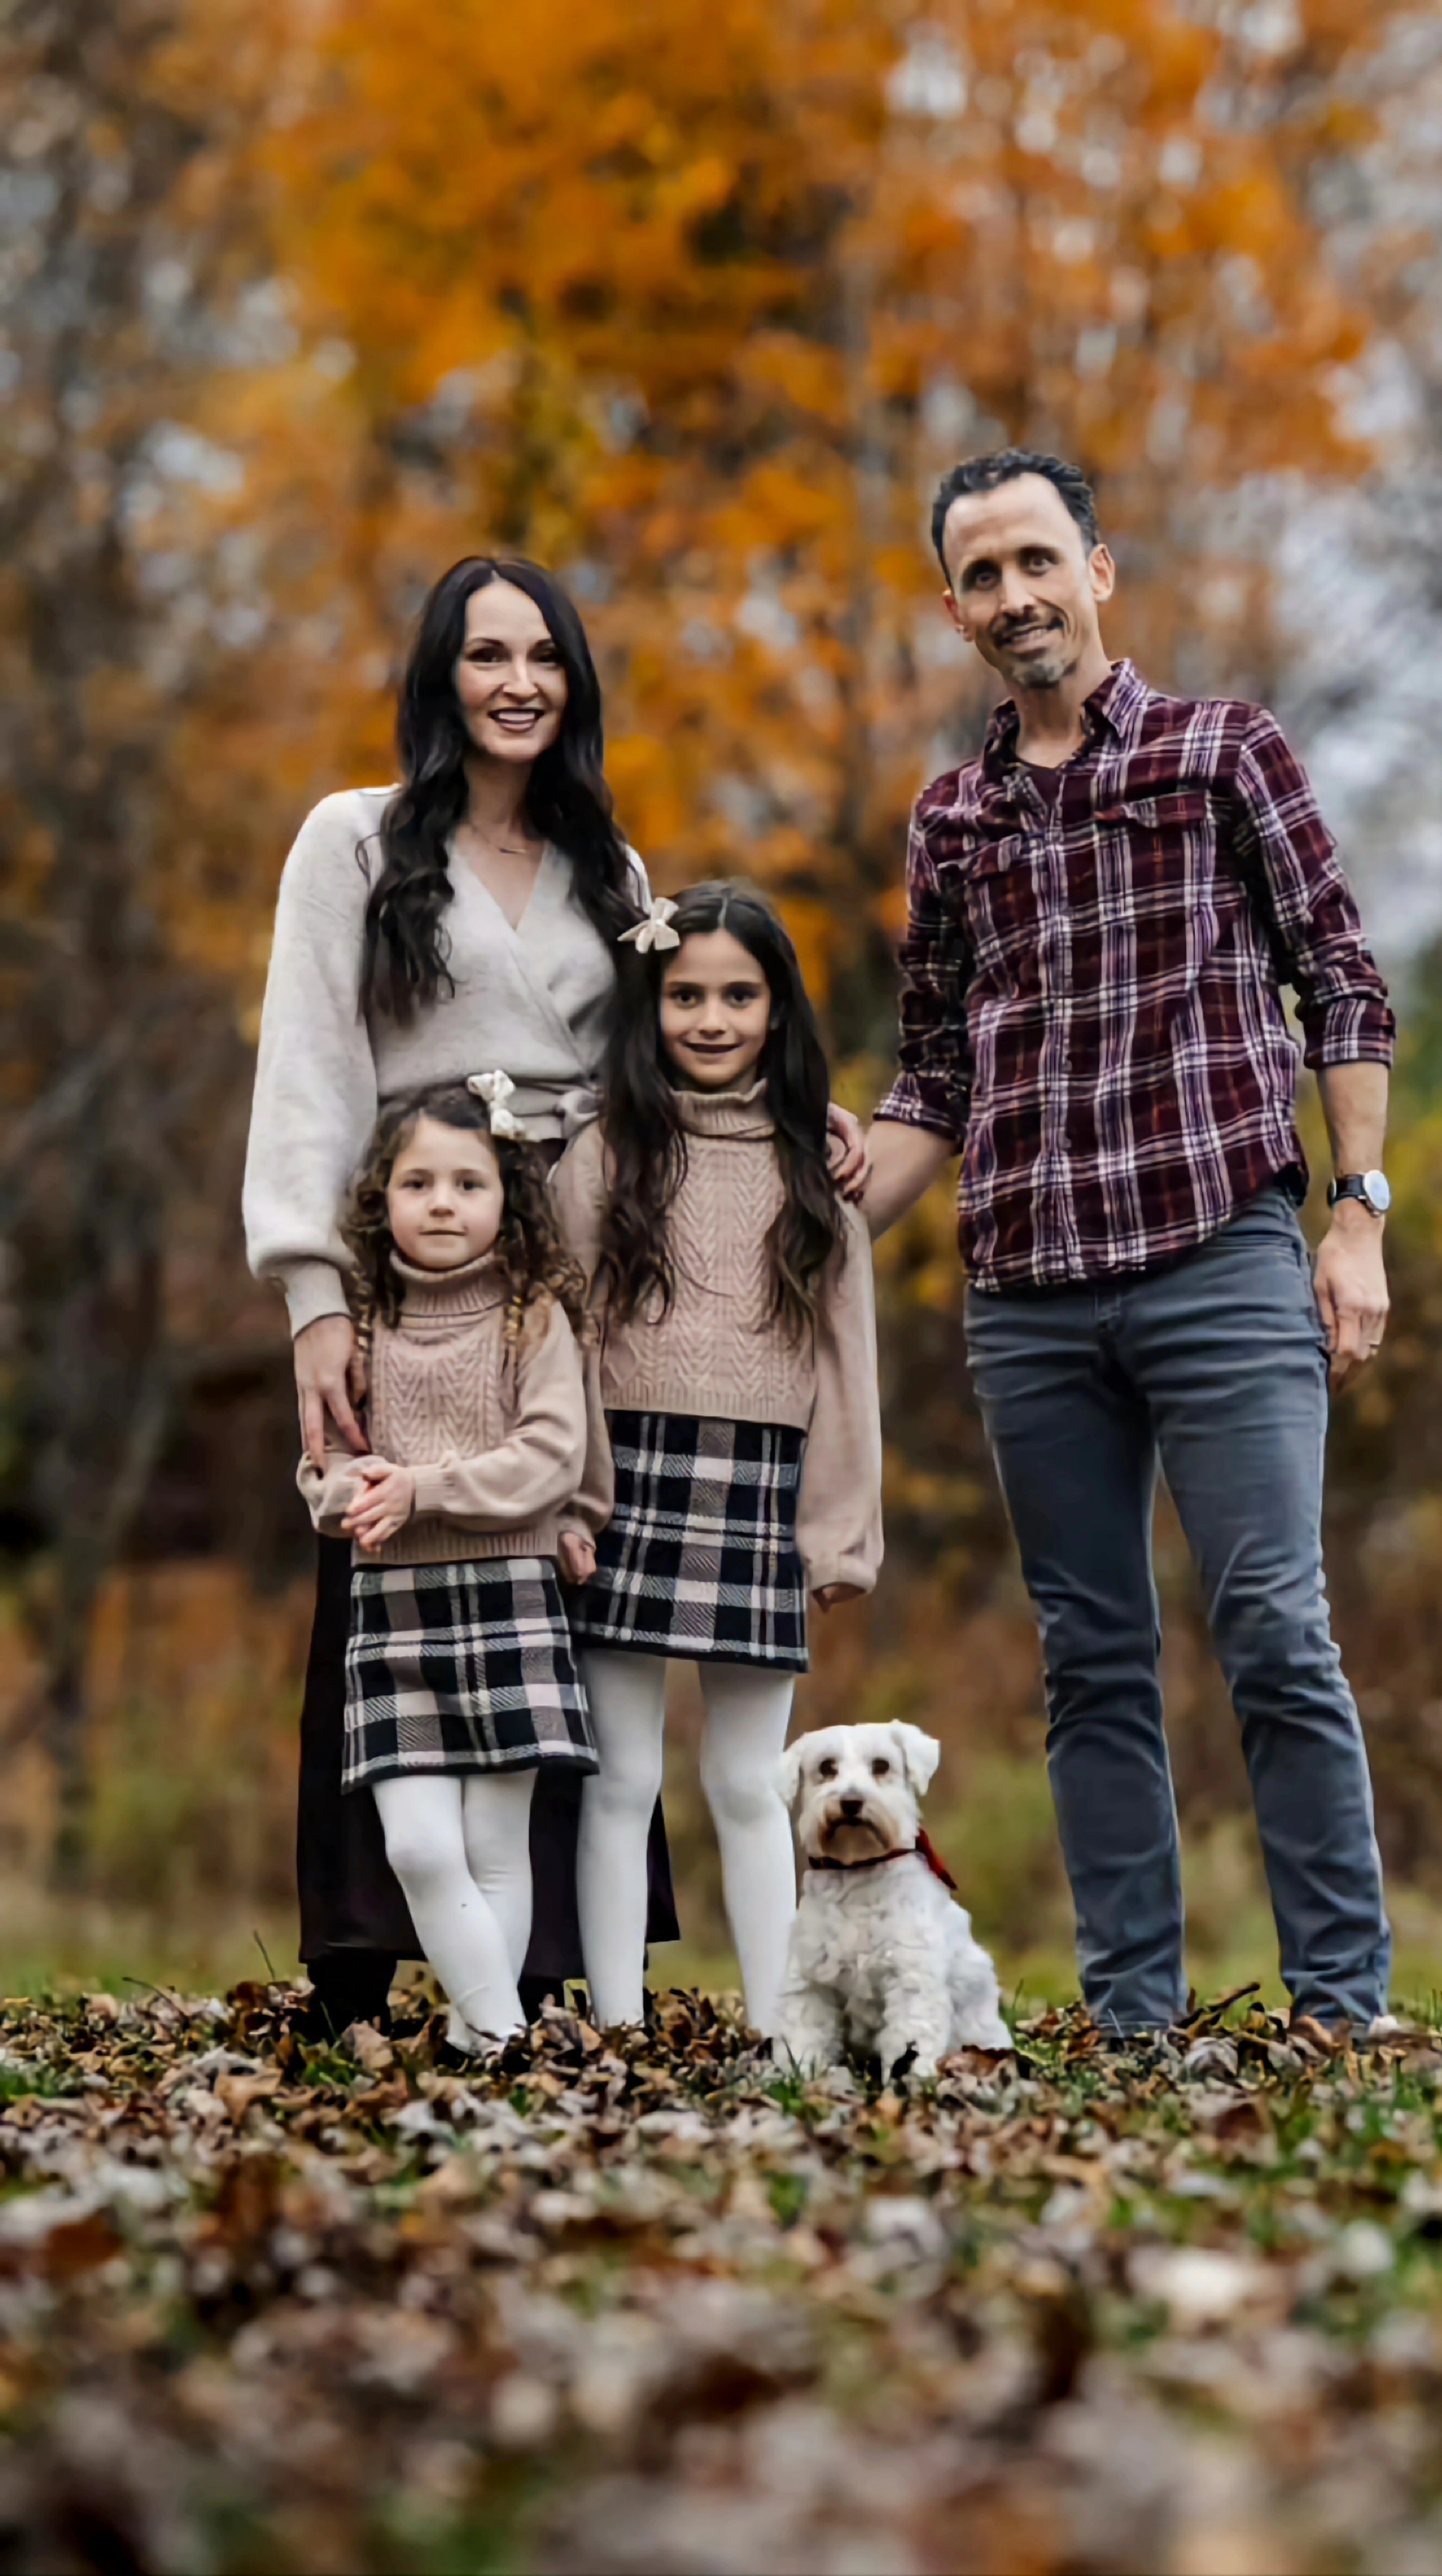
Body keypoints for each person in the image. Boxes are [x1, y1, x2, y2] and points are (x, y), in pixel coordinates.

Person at [863, 448, 1397, 2050]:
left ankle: (1342, 2012)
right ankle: (1135, 2018)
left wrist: (1358, 1213)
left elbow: (1344, 985)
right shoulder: (950, 822)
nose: (1015, 596)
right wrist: (795, 1208)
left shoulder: (1225, 754)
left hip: (1221, 1254)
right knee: (1092, 1662)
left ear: (1098, 568)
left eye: (1039, 559)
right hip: (1029, 1296)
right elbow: (935, 1073)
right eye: (981, 575)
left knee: (1274, 1627)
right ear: (953, 612)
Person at [243, 554, 683, 2036]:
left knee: (551, 1558)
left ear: (575, 681)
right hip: (405, 1233)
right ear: (440, 679)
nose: (519, 682)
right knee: (388, 1538)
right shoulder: (354, 842)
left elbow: (686, 1041)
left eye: (546, 656)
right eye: (487, 655)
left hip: (572, 1242)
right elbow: (309, 1060)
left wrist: (795, 1115)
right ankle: (362, 1950)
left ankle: (546, 1956)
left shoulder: (608, 868)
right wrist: (314, 1292)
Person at [554, 884, 883, 2038]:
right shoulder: (602, 1155)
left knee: (752, 1781)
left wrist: (839, 1531)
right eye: (685, 994)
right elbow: (566, 1336)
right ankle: (614, 2020)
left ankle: (783, 2025)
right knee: (619, 1777)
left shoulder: (820, 1176)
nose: (709, 1017)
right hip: (625, 1477)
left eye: (738, 994)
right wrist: (572, 1494)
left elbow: (849, 1367)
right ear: (650, 1009)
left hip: (763, 1486)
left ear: (777, 1011)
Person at [297, 1081, 606, 2054]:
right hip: (394, 1610)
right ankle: (510, 2040)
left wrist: (423, 1489)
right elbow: (324, 1463)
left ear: (507, 1196)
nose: (442, 1202)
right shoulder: (361, 1320)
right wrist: (347, 1496)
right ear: (379, 1196)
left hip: (510, 1598)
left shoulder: (536, 1317)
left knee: (496, 1852)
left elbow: (553, 1454)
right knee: (421, 1847)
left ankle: (484, 2055)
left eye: (468, 1183)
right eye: (417, 1181)